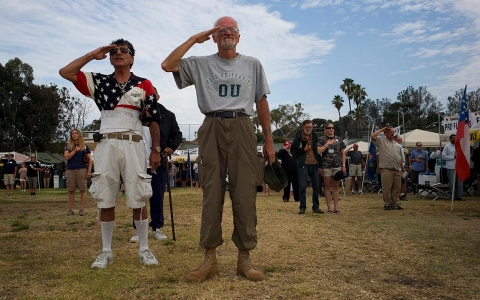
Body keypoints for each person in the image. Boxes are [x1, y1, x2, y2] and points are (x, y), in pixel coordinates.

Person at [161, 16, 275, 282]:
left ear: (239, 35)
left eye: (232, 28)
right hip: (211, 124)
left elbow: (261, 101)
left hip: (243, 125)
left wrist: (268, 140)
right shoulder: (201, 63)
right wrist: (193, 39)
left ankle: (244, 259)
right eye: (221, 29)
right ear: (213, 36)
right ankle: (209, 259)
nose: (227, 32)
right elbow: (168, 65)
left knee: (245, 192)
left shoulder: (252, 64)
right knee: (211, 192)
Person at [59, 38, 162, 268]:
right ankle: (106, 251)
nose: (118, 53)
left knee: (139, 196)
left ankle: (144, 248)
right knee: (105, 197)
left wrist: (155, 149)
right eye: (114, 51)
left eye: (124, 51)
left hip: (134, 143)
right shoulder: (100, 82)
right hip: (106, 143)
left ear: (132, 58)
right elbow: (66, 72)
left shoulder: (144, 84)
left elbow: (154, 119)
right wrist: (92, 54)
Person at [130, 87, 182, 243]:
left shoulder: (168, 115)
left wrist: (171, 147)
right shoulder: (133, 115)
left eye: (152, 94)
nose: (149, 97)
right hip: (137, 162)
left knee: (157, 197)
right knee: (138, 197)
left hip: (158, 163)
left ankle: (157, 228)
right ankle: (139, 230)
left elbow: (177, 134)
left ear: (157, 97)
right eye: (146, 95)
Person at [291, 120, 324, 215]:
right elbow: (293, 151)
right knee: (302, 186)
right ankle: (302, 207)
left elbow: (318, 151)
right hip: (303, 164)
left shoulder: (315, 136)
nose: (309, 129)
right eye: (307, 127)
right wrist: (303, 150)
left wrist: (320, 165)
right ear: (303, 127)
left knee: (316, 187)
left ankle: (316, 207)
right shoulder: (298, 137)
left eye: (310, 127)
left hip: (314, 163)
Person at [371, 126, 404, 210]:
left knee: (397, 187)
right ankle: (387, 203)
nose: (392, 133)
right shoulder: (381, 142)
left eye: (393, 131)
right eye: (389, 132)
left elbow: (399, 157)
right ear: (385, 133)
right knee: (387, 187)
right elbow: (373, 136)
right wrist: (382, 129)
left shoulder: (397, 144)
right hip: (386, 168)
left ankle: (395, 203)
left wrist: (402, 166)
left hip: (397, 168)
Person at [317, 123, 346, 213]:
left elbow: (343, 153)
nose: (331, 129)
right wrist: (327, 143)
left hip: (337, 166)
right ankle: (329, 207)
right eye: (329, 128)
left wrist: (343, 165)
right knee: (327, 186)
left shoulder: (339, 139)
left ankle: (336, 207)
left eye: (332, 128)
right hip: (326, 166)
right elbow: (319, 151)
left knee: (336, 187)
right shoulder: (322, 139)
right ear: (325, 129)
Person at [64, 129, 93, 216]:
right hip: (70, 170)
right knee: (71, 190)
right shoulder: (68, 146)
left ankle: (82, 209)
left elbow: (90, 160)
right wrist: (74, 151)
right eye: (72, 133)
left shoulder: (84, 146)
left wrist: (89, 171)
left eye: (76, 133)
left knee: (83, 190)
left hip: (81, 169)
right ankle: (71, 209)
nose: (74, 135)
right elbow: (66, 157)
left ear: (79, 135)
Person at [442, 134, 463, 200]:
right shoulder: (447, 146)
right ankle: (452, 196)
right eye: (453, 138)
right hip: (451, 167)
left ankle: (459, 196)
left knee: (460, 182)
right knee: (452, 183)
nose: (454, 139)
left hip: (459, 166)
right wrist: (452, 157)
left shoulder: (460, 145)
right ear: (450, 139)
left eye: (455, 138)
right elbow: (443, 156)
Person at [394, 135, 408, 200]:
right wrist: (402, 167)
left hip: (402, 164)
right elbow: (399, 157)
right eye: (399, 140)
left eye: (401, 140)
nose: (401, 141)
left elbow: (402, 156)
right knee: (398, 181)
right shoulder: (395, 146)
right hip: (398, 165)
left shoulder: (401, 146)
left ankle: (402, 194)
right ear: (395, 139)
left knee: (403, 181)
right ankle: (398, 195)